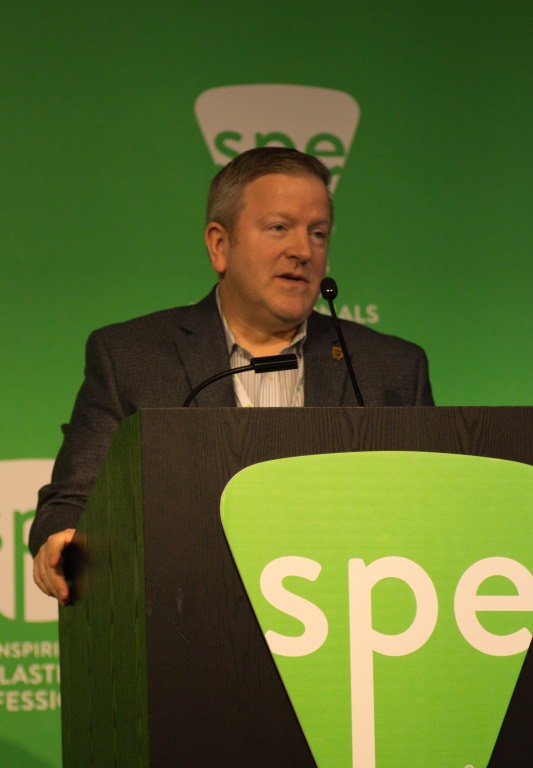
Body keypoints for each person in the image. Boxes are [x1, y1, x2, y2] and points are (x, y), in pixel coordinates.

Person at [30, 146, 433, 604]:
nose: (303, 251)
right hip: (187, 616)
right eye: (279, 227)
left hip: (351, 618)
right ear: (220, 245)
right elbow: (73, 502)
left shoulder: (390, 368)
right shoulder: (131, 358)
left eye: (318, 233)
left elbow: (429, 514)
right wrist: (62, 541)